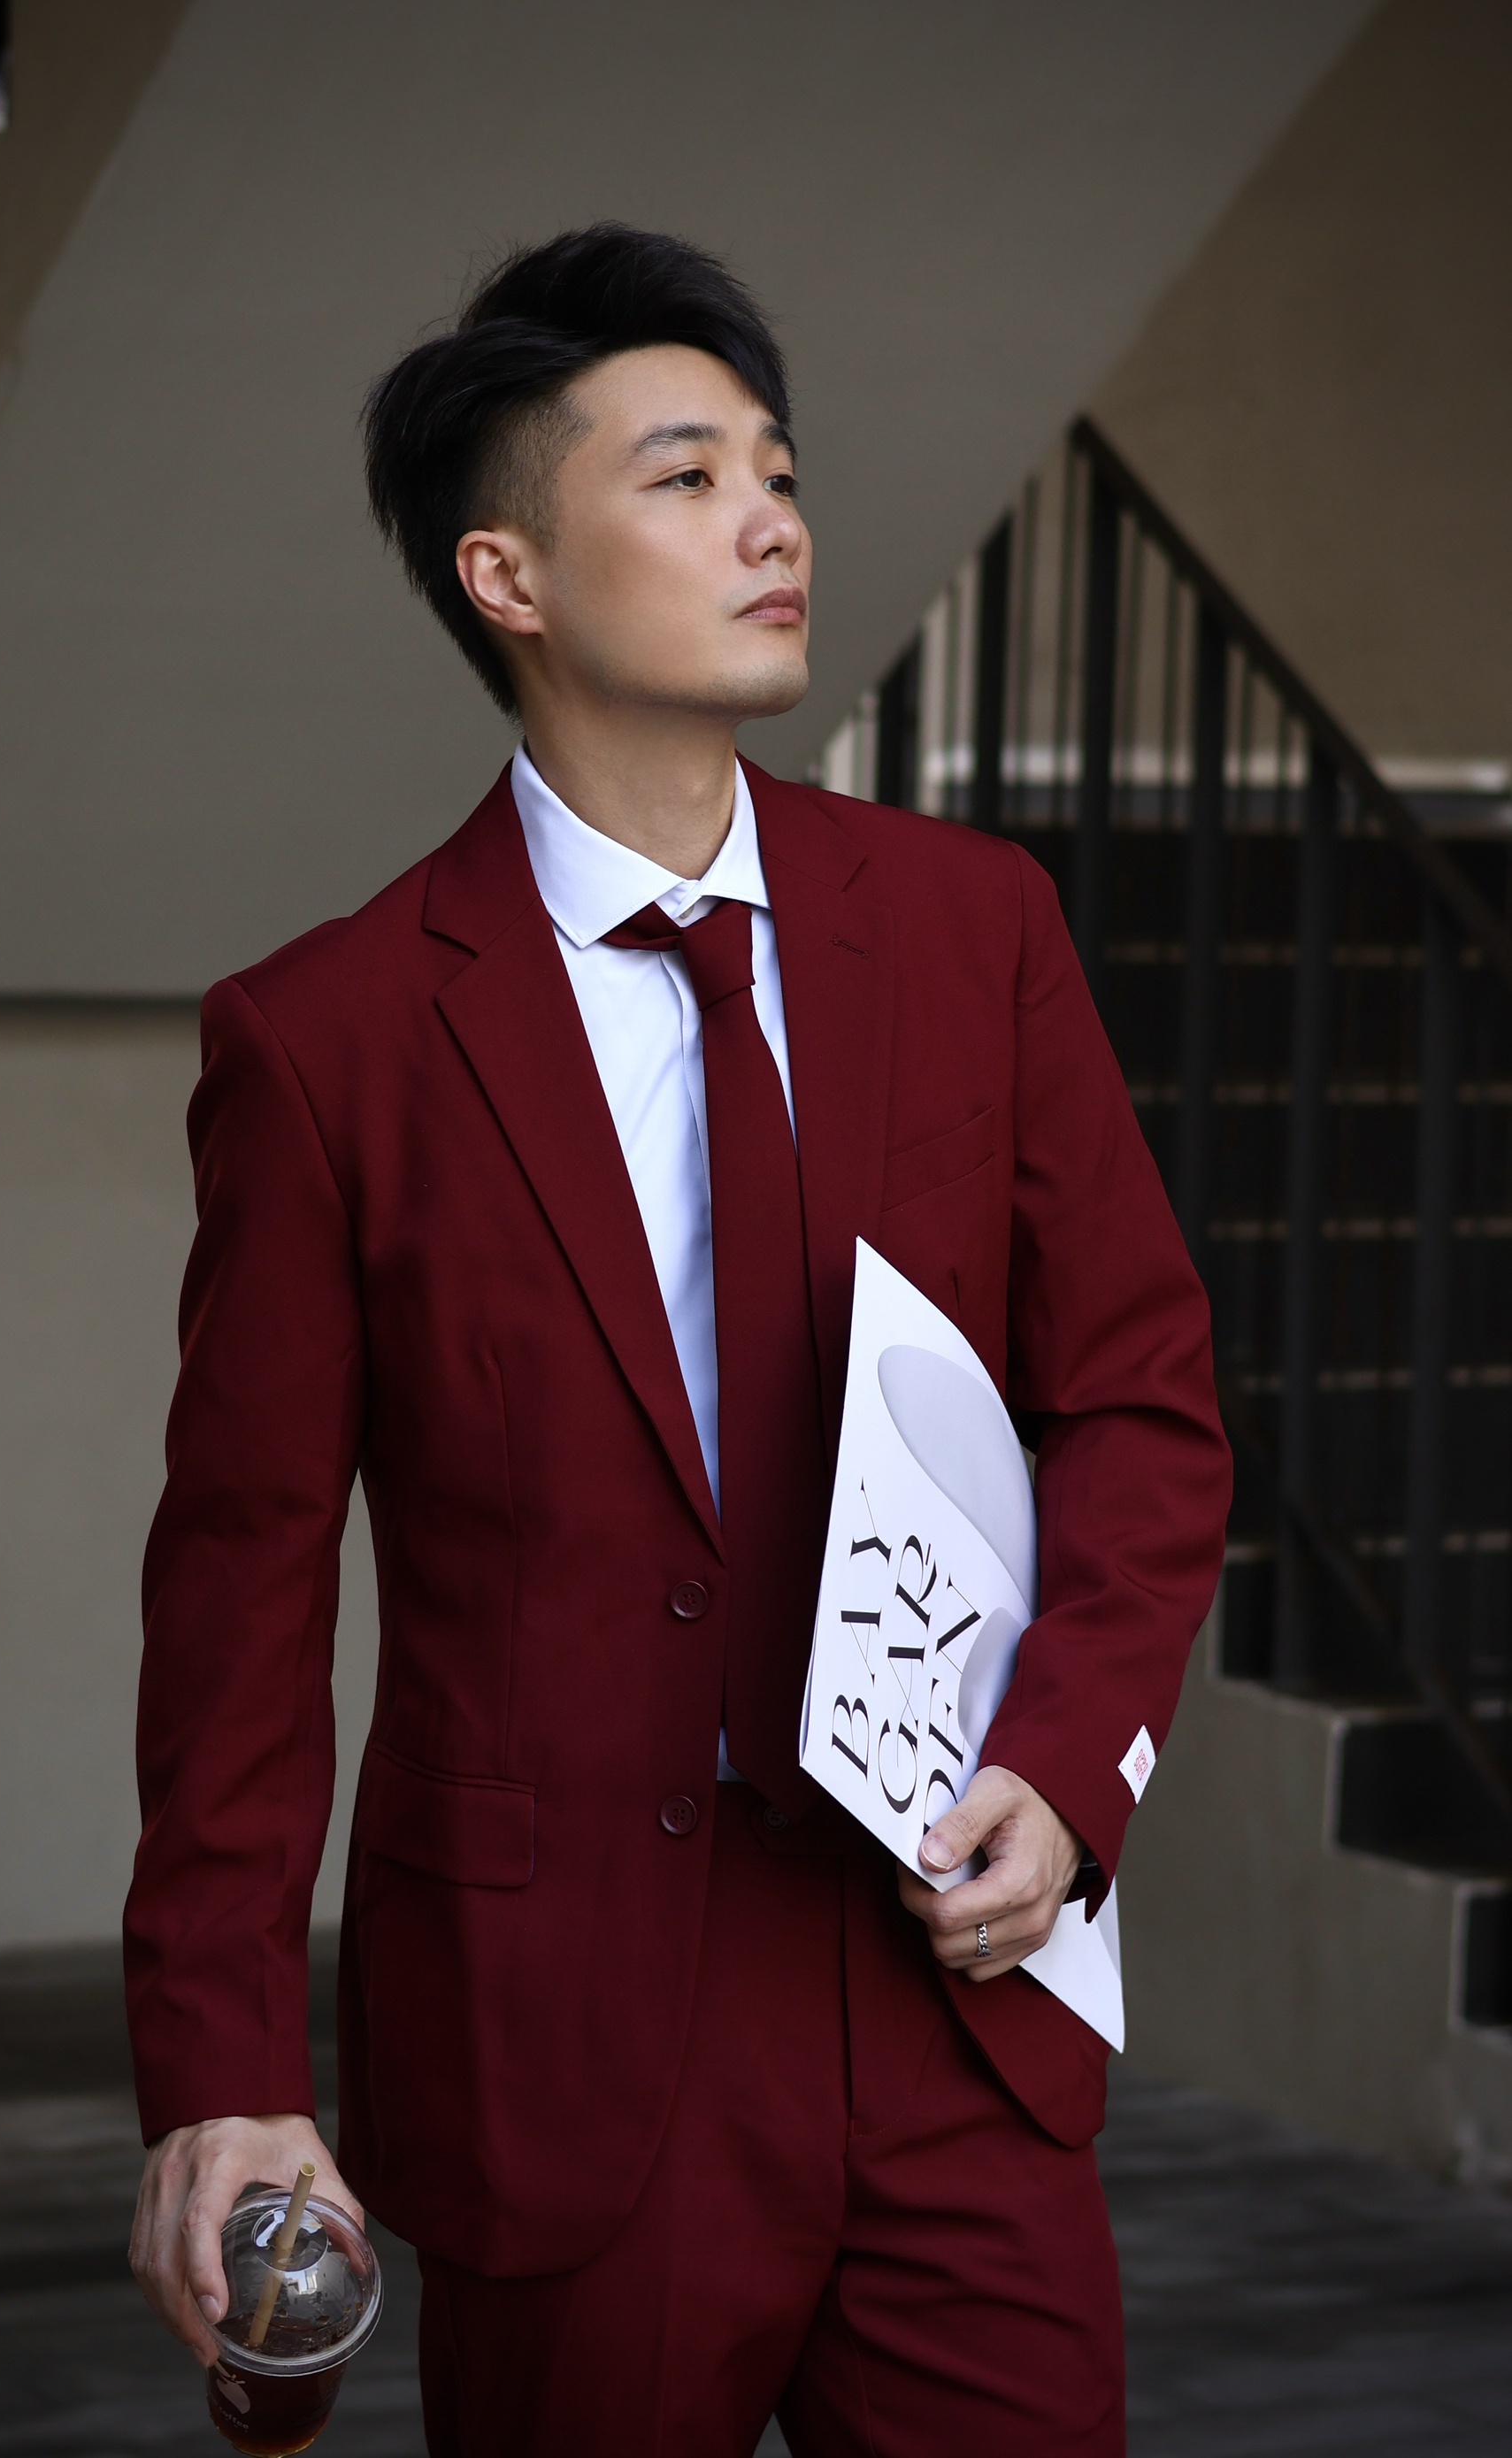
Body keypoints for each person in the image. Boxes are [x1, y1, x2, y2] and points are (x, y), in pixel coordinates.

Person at [125, 223, 1230, 2454]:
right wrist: (224, 2070)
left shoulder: (971, 929)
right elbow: (241, 1590)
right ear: (508, 576)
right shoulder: (329, 1041)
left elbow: (1135, 1400)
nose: (772, 521)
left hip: (948, 1974)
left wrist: (1070, 1766)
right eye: (687, 475)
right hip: (562, 2034)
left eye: (780, 472)